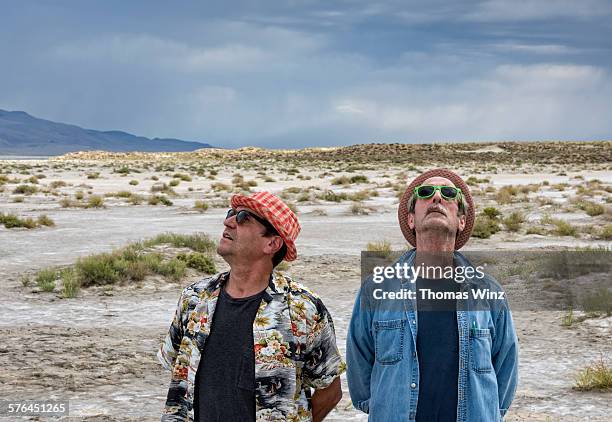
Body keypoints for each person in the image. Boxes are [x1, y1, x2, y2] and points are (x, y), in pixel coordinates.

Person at [346, 168, 519, 421]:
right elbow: (360, 374)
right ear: (411, 220)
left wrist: (485, 411)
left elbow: (505, 370)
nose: (437, 198)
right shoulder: (376, 290)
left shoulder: (489, 292)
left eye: (448, 193)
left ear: (461, 221)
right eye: (425, 193)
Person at [158, 191, 345, 421]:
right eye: (231, 214)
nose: (228, 222)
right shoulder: (194, 299)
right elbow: (176, 367)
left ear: (272, 243)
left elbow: (330, 391)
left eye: (243, 217)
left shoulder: (302, 309)